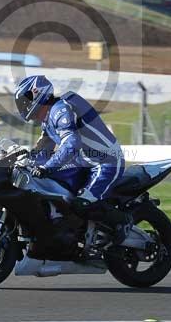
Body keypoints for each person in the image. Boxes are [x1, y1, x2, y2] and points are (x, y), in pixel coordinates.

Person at [14, 75, 130, 242]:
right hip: (82, 164)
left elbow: (71, 143)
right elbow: (44, 148)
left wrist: (47, 167)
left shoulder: (61, 110)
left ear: (37, 93)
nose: (23, 107)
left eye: (25, 101)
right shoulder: (48, 119)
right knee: (55, 192)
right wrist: (24, 160)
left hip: (105, 162)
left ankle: (122, 221)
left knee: (82, 204)